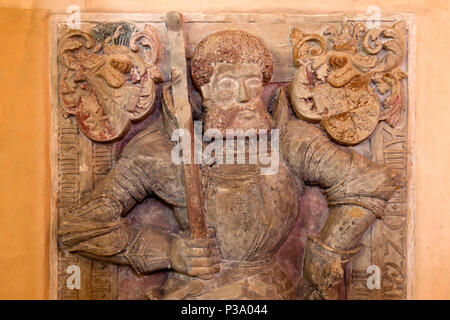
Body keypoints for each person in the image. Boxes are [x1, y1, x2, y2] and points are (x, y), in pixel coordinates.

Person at [58, 30, 397, 299]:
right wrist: (168, 251)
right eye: (227, 86)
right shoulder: (166, 148)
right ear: (203, 91)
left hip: (273, 292)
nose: (244, 98)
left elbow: (368, 182)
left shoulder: (290, 141)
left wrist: (322, 259)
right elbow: (81, 227)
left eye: (252, 84)